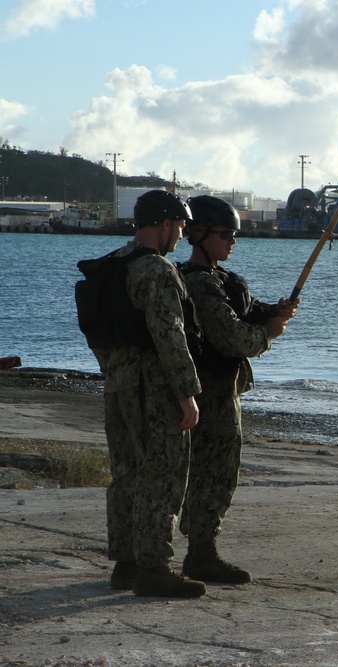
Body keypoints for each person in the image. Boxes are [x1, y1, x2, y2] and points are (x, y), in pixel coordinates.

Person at [177, 195, 298, 584]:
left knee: (217, 471)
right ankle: (201, 554)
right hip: (210, 395)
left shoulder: (220, 281)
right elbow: (233, 338)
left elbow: (245, 309)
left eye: (234, 235)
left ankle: (200, 550)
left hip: (220, 393)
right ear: (199, 235)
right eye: (226, 234)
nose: (232, 241)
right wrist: (268, 333)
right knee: (213, 473)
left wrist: (271, 311)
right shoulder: (199, 284)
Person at [94, 189, 206, 598]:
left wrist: (114, 373)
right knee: (162, 473)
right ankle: (155, 567)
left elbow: (98, 332)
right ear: (163, 224)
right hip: (153, 388)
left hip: (117, 385)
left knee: (127, 473)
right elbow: (169, 335)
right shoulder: (157, 271)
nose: (180, 235)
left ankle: (126, 564)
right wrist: (187, 393)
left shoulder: (114, 266)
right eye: (179, 227)